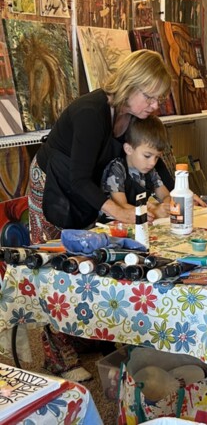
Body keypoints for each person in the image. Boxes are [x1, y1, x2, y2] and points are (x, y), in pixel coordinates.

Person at [28, 49, 171, 381]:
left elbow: (158, 163)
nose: (154, 105)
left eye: (158, 99)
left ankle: (83, 335)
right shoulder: (92, 112)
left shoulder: (133, 114)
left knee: (87, 261)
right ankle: (56, 355)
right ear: (130, 85)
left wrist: (173, 192)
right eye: (150, 97)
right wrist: (121, 211)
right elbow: (77, 178)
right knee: (55, 268)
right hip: (52, 184)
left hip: (84, 187)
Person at [102, 114, 171, 221]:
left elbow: (166, 196)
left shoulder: (149, 170)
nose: (152, 163)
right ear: (128, 149)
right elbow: (121, 206)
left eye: (157, 157)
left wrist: (167, 206)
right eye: (147, 156)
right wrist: (155, 212)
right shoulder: (117, 169)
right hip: (113, 224)